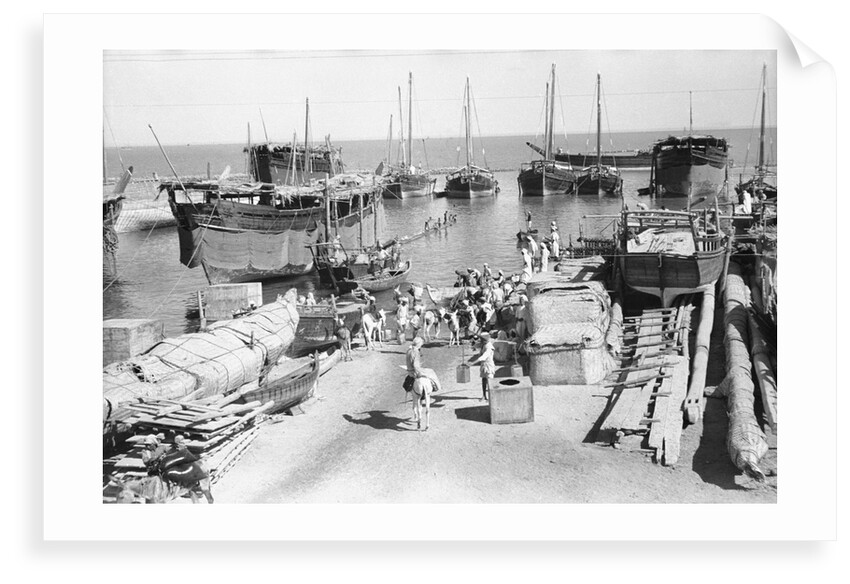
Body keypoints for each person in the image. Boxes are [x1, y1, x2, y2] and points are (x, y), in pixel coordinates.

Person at [470, 332, 496, 401]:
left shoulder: (489, 347)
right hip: (484, 365)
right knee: (484, 380)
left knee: (490, 382)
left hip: (489, 365)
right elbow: (476, 345)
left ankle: (491, 398)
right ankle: (484, 395)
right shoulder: (483, 344)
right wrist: (472, 343)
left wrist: (473, 363)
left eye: (481, 339)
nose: (480, 340)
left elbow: (483, 357)